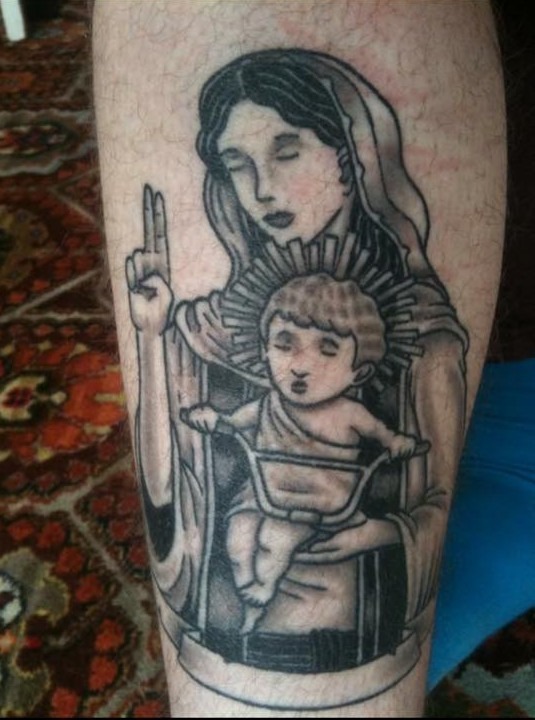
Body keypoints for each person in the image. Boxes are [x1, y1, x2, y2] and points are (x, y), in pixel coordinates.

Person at [93, 3, 505, 714]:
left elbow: (429, 500)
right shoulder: (210, 323)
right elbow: (173, 501)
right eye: (237, 163)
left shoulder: (421, 329)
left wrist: (374, 534)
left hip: (482, 474)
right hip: (237, 618)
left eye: (287, 151)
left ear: (352, 155)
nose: (261, 191)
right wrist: (153, 335)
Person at [183, 273, 420, 634]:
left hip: (318, 499)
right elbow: (232, 423)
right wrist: (213, 419)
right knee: (238, 536)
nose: (300, 365)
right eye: (284, 344)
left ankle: (262, 592)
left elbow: (385, 436)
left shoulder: (351, 414)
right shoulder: (268, 404)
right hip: (264, 491)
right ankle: (249, 594)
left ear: (359, 372)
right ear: (264, 350)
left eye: (327, 350)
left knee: (273, 541)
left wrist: (397, 443)